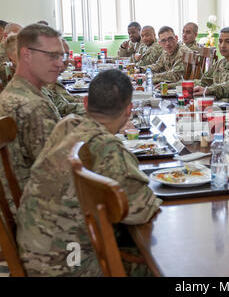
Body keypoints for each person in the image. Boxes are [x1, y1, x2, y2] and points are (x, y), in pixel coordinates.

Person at [16, 69, 162, 276]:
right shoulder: (106, 147)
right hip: (67, 264)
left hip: (33, 246)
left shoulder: (66, 125)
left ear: (85, 103)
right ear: (129, 109)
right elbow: (142, 211)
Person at [0, 24, 63, 198]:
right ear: (26, 55)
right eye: (52, 56)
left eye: (61, 56)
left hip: (22, 202)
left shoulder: (14, 92)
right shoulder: (32, 106)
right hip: (38, 212)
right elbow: (60, 175)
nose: (60, 63)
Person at [44, 38, 85, 116]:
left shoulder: (49, 79)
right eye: (57, 55)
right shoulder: (43, 83)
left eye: (66, 55)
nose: (63, 61)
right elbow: (65, 107)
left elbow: (63, 105)